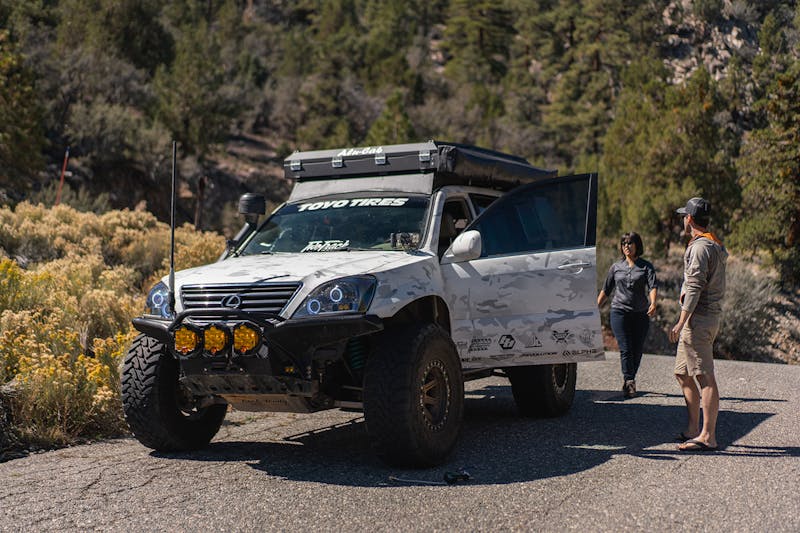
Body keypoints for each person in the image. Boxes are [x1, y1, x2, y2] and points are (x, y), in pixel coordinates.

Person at [668, 197, 727, 452]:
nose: (683, 219)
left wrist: (681, 322)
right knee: (682, 372)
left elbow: (694, 286)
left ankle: (708, 436)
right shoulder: (713, 244)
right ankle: (693, 428)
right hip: (703, 319)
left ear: (689, 219)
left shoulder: (701, 248)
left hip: (698, 321)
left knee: (704, 377)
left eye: (684, 216)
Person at [597, 232, 658, 398]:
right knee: (625, 348)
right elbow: (606, 290)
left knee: (637, 349)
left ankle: (630, 378)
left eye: (630, 243)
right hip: (619, 311)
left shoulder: (646, 266)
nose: (626, 246)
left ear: (637, 245)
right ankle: (629, 380)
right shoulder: (616, 267)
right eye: (624, 243)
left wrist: (653, 303)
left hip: (640, 314)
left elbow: (653, 286)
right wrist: (595, 308)